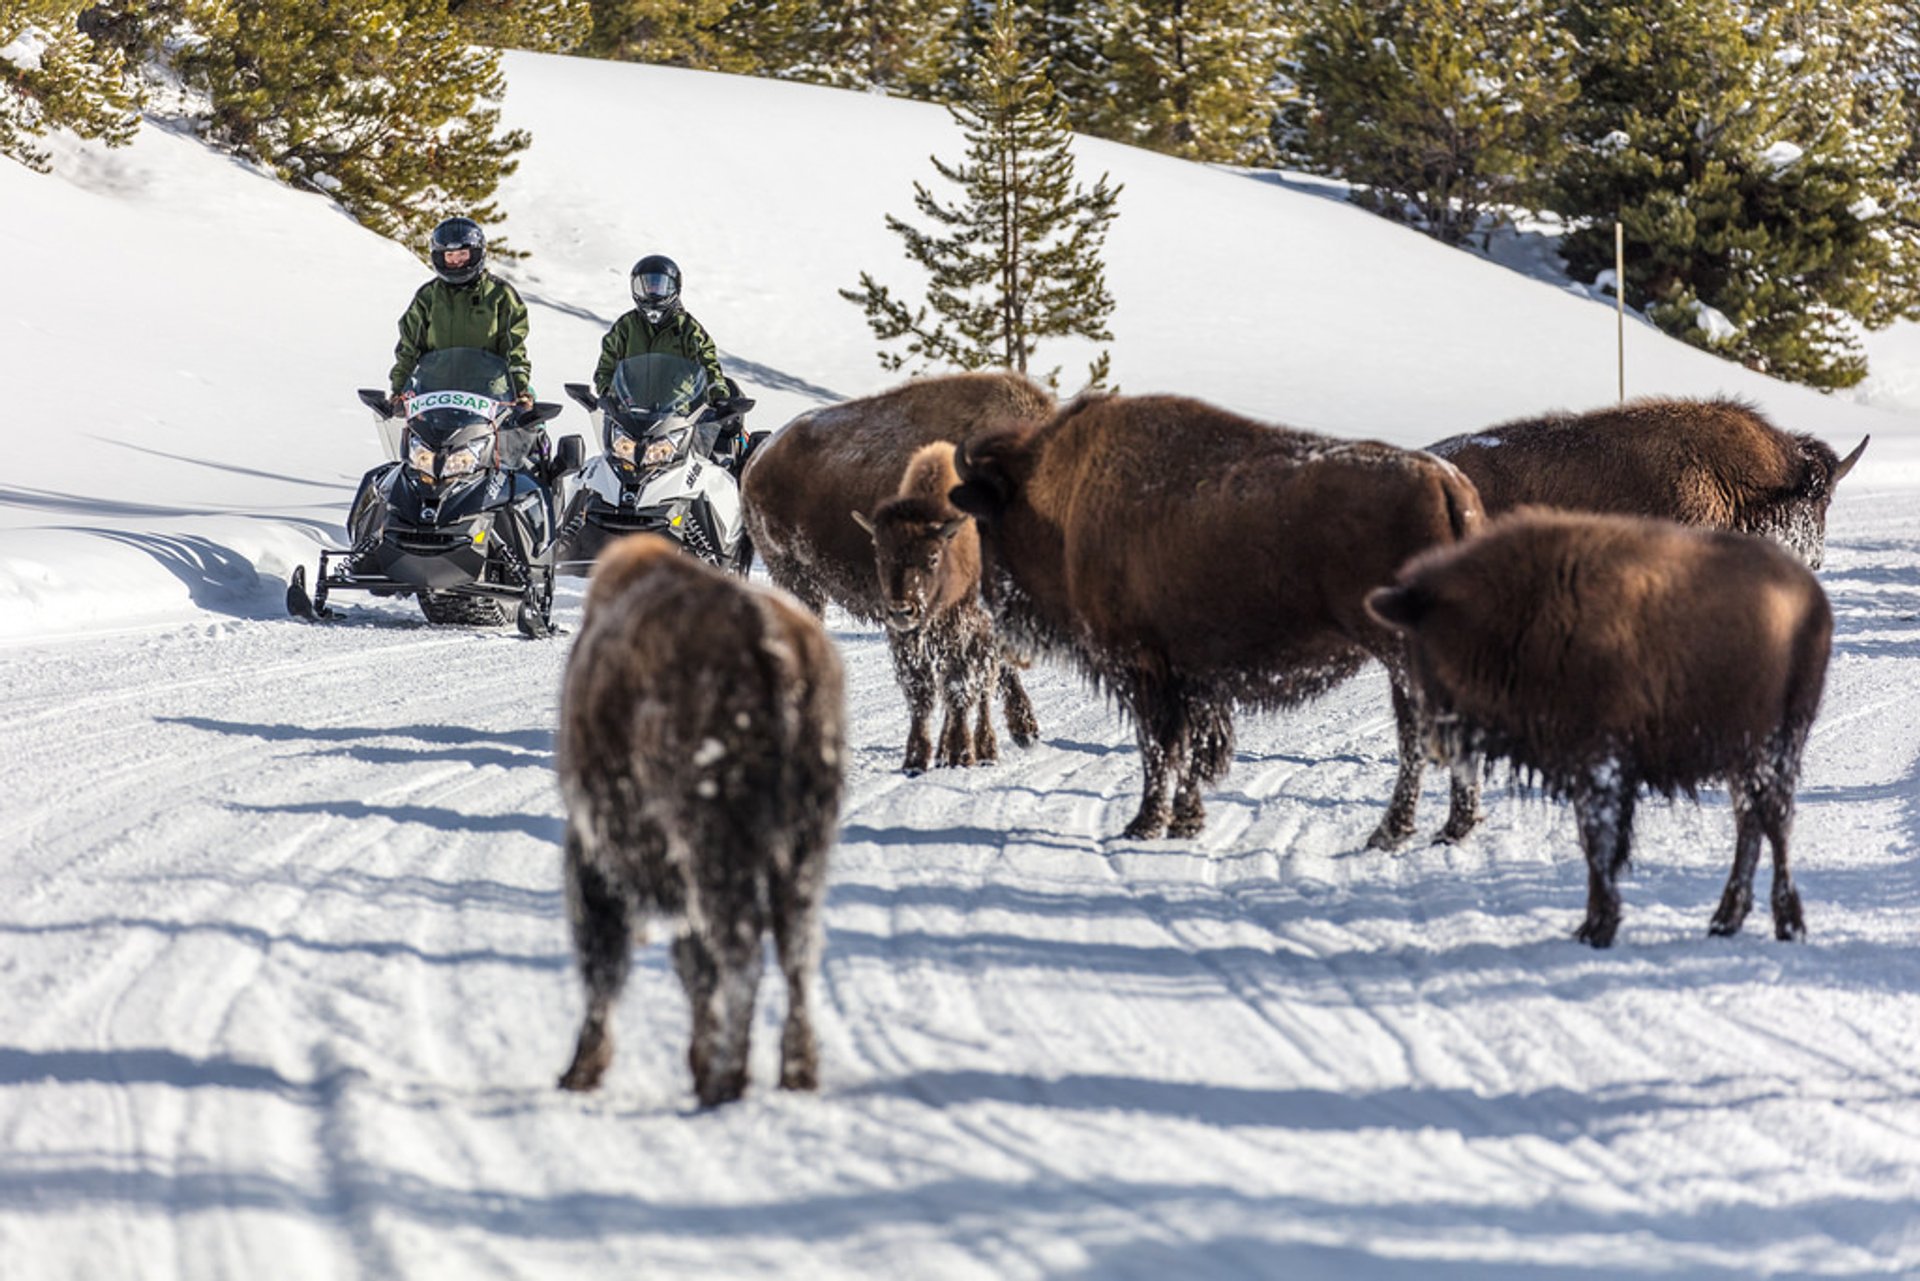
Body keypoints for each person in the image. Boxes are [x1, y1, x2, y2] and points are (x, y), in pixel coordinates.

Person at [389, 216, 535, 413]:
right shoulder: (428, 297)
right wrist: (399, 388)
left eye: (462, 254)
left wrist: (520, 389)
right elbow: (409, 347)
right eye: (449, 255)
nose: (456, 261)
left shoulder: (500, 295)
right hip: (434, 396)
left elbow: (513, 347)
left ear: (476, 254)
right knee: (414, 440)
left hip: (489, 397)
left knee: (527, 430)